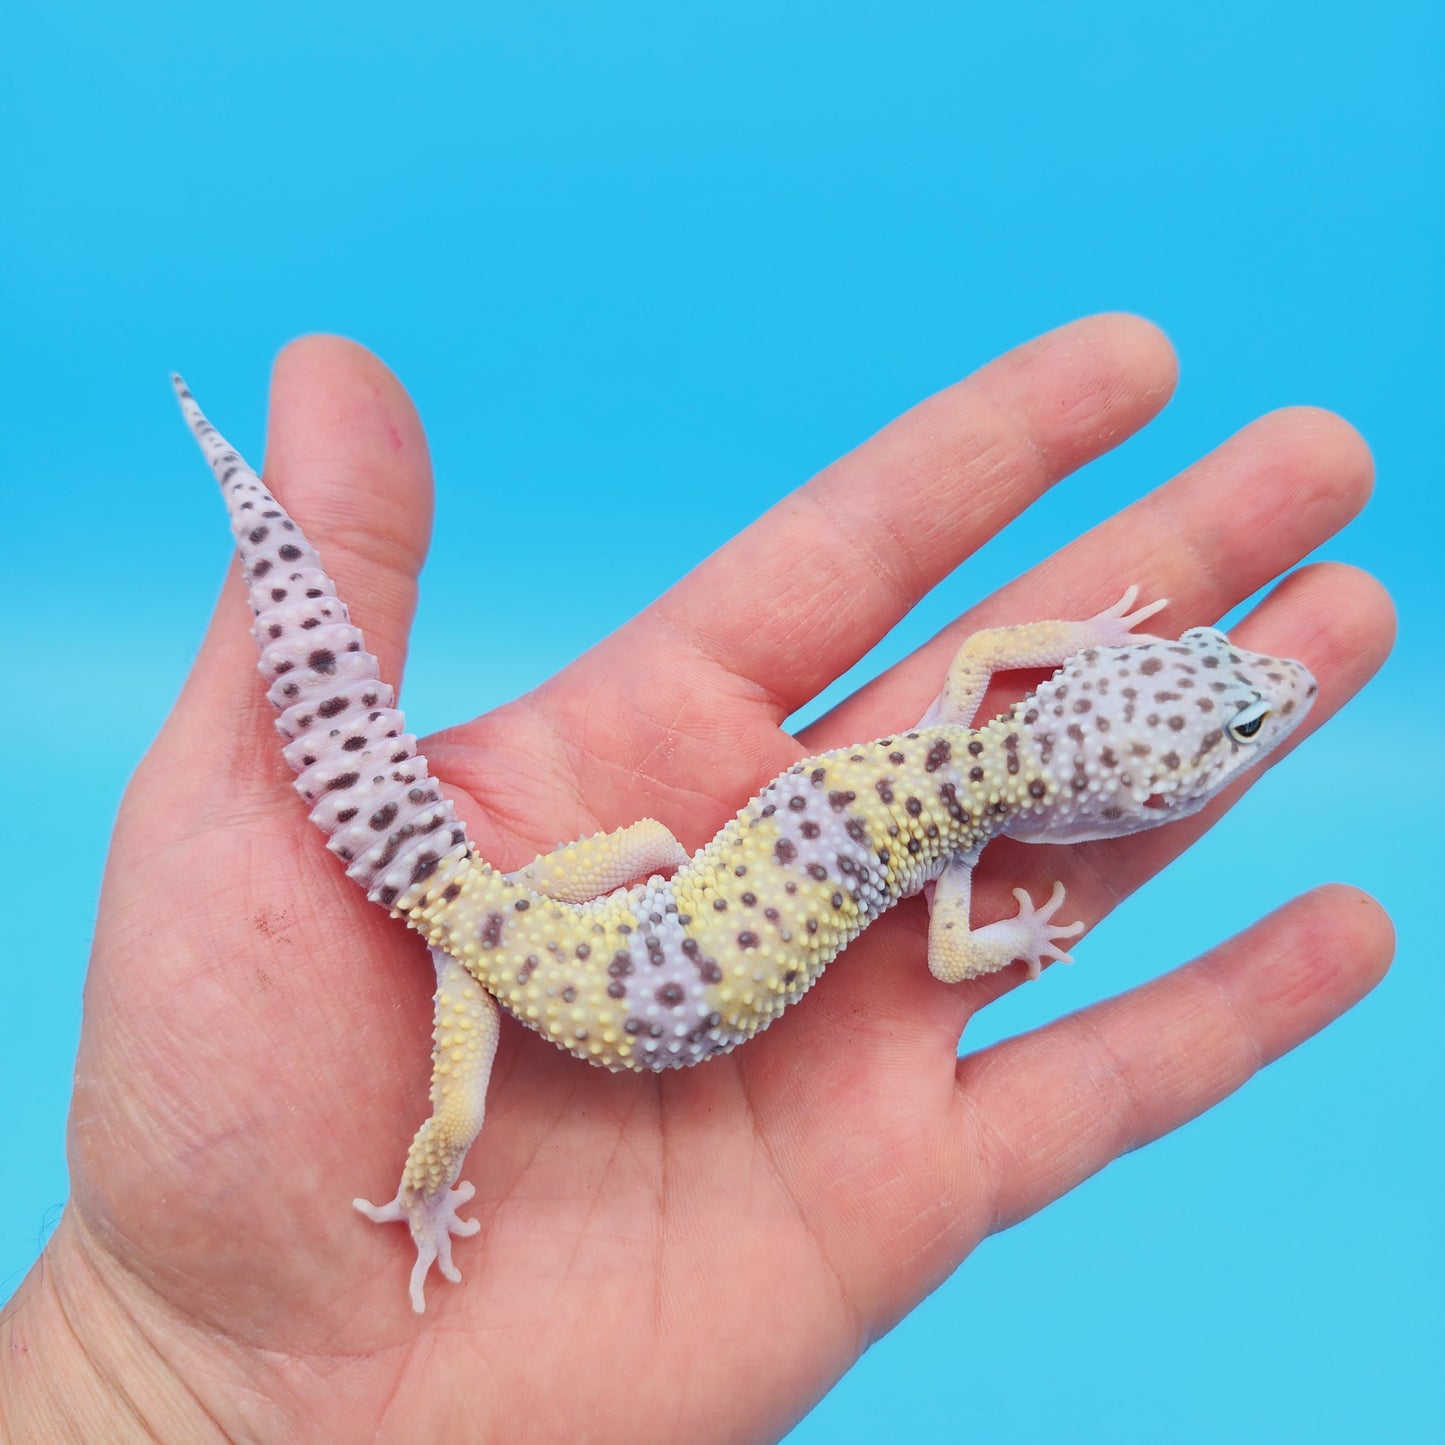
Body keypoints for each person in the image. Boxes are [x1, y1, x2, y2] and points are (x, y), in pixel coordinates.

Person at [0, 317, 1393, 1441]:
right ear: (1126, 805)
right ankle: (419, 1190)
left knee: (557, 960)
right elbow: (951, 957)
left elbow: (982, 659)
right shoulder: (956, 848)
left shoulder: (953, 739)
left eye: (1229, 712)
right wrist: (1021, 932)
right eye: (1228, 718)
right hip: (513, 961)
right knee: (458, 1107)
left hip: (546, 911)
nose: (1256, 698)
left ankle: (435, 1176)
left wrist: (1072, 637)